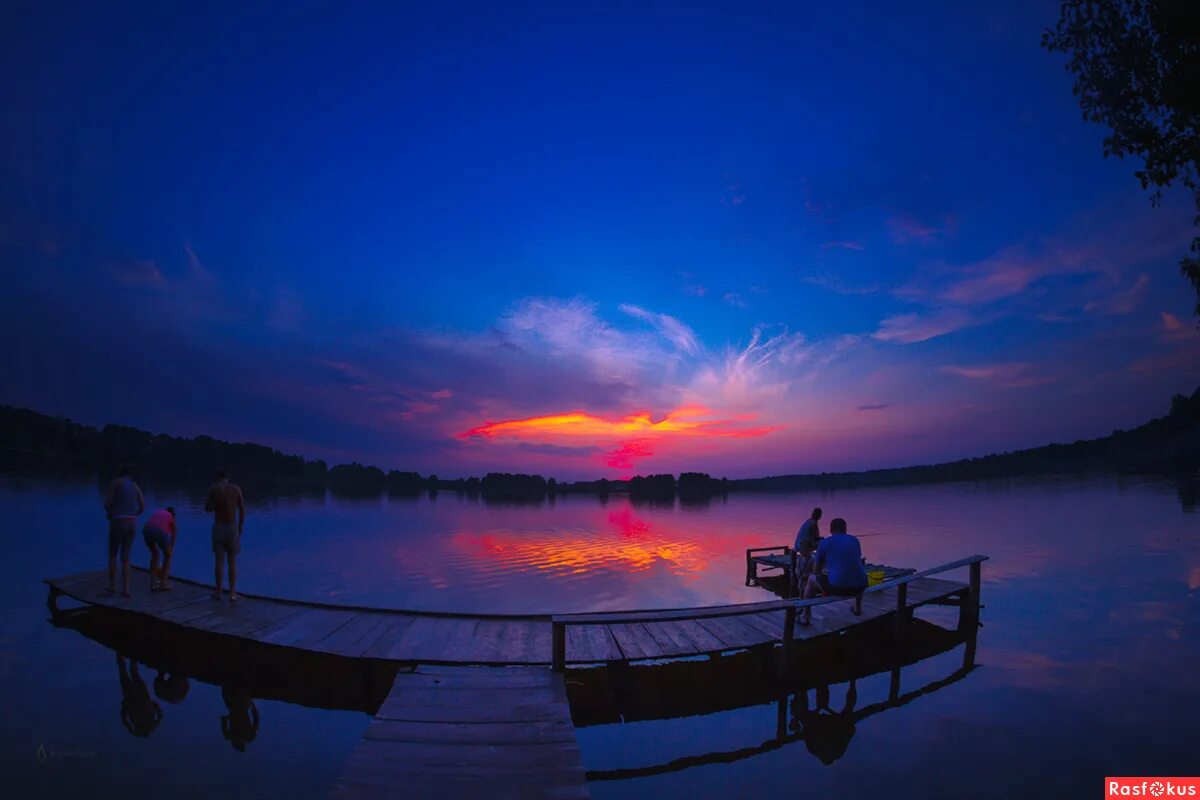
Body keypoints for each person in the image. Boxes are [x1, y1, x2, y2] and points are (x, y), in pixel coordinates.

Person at [799, 517, 868, 625]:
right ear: (845, 529)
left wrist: (826, 571)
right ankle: (858, 609)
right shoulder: (855, 540)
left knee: (811, 579)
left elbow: (816, 571)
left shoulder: (824, 543)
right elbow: (853, 561)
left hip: (839, 587)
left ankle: (804, 616)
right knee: (857, 573)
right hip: (861, 586)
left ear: (830, 530)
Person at [103, 466, 144, 597]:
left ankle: (112, 585)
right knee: (126, 557)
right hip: (132, 522)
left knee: (113, 554)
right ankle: (126, 589)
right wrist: (134, 515)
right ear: (130, 476)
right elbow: (142, 507)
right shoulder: (136, 486)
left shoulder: (116, 482)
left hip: (118, 521)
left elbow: (107, 504)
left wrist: (110, 513)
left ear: (121, 475)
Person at [205, 470, 246, 601]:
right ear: (228, 478)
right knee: (232, 562)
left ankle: (218, 592)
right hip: (232, 527)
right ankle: (232, 593)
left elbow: (207, 509)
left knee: (219, 562)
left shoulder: (213, 488)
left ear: (218, 478)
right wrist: (240, 527)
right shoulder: (236, 489)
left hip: (219, 527)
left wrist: (213, 499)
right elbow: (242, 509)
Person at [117, 654, 163, 738]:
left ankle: (126, 653)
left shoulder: (143, 729)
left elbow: (160, 716)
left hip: (133, 698)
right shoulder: (149, 727)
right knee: (128, 673)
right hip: (139, 697)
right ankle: (128, 653)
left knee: (128, 673)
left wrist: (154, 705)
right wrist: (154, 705)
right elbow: (160, 716)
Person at [143, 506, 177, 591]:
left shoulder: (159, 512)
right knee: (167, 556)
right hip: (159, 531)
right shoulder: (171, 517)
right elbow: (173, 535)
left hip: (147, 530)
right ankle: (163, 583)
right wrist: (170, 549)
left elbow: (152, 523)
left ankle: (153, 584)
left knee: (155, 555)